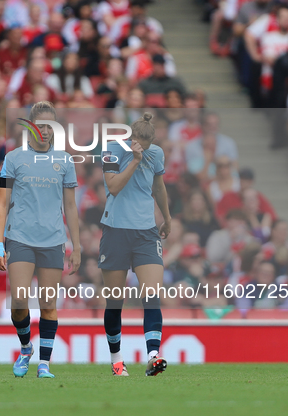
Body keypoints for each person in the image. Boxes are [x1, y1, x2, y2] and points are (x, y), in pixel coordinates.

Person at [0, 101, 80, 379]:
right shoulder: (14, 159)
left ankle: (44, 363)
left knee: (48, 304)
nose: (44, 130)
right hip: (19, 237)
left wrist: (76, 245)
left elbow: (71, 206)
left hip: (53, 240)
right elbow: (3, 202)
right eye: (39, 125)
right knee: (19, 301)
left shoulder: (65, 160)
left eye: (49, 125)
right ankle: (26, 347)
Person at [97, 112, 171, 377]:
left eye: (146, 146)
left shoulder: (156, 154)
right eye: (138, 144)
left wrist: (167, 217)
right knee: (115, 300)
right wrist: (136, 160)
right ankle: (117, 362)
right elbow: (113, 186)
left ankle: (153, 355)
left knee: (151, 295)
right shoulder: (112, 149)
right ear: (130, 137)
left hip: (146, 232)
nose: (142, 149)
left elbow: (159, 187)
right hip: (115, 230)